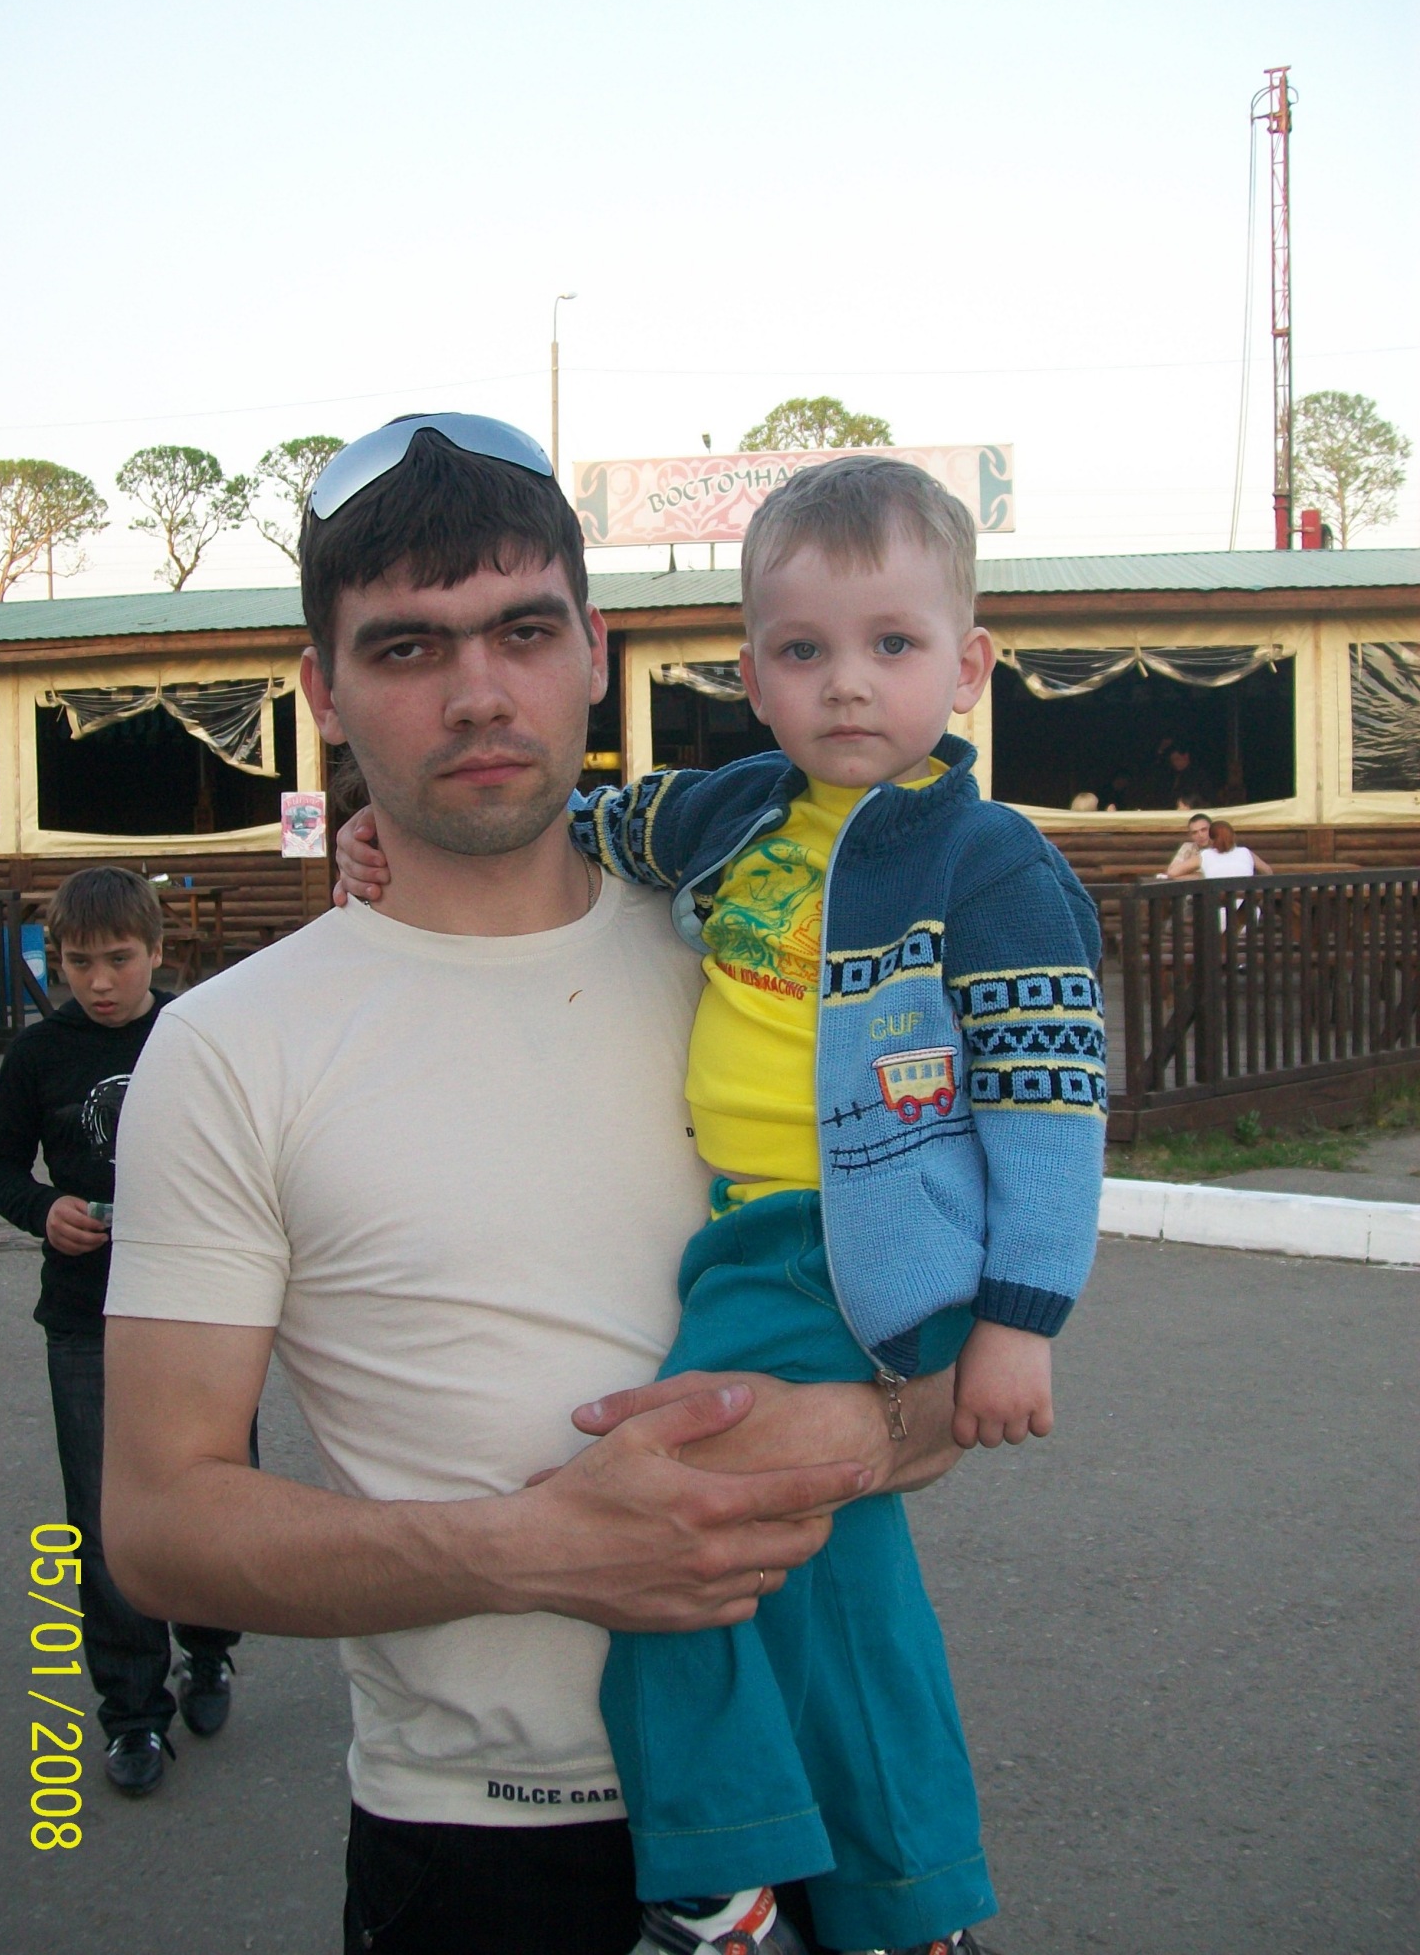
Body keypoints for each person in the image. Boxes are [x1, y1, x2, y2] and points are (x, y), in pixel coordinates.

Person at [99, 415, 962, 1955]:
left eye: (523, 631)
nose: (480, 693)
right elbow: (159, 1524)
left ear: (595, 650)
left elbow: (965, 1375)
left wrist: (866, 1431)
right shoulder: (229, 1050)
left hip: (830, 1785)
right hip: (481, 1849)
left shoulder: (755, 956)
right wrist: (535, 1547)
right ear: (322, 690)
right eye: (407, 647)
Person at [339, 455, 1106, 1954]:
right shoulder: (736, 814)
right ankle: (905, 1900)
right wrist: (388, 831)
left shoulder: (986, 861)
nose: (847, 684)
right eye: (803, 650)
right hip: (753, 1231)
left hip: (846, 1247)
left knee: (661, 1527)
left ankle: (717, 1867)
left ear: (969, 664)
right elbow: (583, 826)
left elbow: (1050, 1100)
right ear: (750, 677)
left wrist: (1022, 1320)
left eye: (893, 644)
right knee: (839, 1591)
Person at [0, 867, 247, 1796]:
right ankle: (132, 1714)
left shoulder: (197, 1036)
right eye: (78, 962)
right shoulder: (37, 1054)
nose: (99, 981)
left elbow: (253, 1155)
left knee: (214, 1494)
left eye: (119, 959)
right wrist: (43, 1209)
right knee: (102, 1517)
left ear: (158, 952)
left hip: (203, 1312)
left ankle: (208, 1647)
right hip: (84, 1317)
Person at [1198, 819, 1271, 877]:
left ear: (1211, 840)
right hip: (1244, 892)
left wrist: (1199, 876)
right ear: (1233, 836)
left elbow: (1188, 867)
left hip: (1217, 892)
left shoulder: (1205, 855)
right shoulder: (1245, 852)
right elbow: (1267, 871)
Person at [1164, 810, 1213, 878]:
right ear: (1191, 836)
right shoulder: (1188, 847)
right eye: (1195, 832)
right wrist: (1199, 876)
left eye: (1204, 830)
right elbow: (1171, 873)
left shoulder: (1221, 848)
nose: (1200, 835)